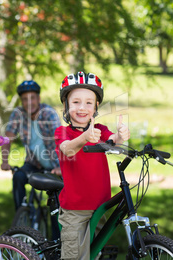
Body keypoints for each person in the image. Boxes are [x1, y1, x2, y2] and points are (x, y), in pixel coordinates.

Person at [55, 71, 130, 260]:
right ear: (66, 105)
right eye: (75, 102)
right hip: (75, 210)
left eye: (89, 102)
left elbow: (112, 140)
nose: (82, 107)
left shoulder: (99, 130)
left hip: (99, 206)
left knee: (95, 254)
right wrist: (84, 138)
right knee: (74, 256)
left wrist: (121, 136)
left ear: (96, 106)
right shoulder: (62, 132)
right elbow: (67, 149)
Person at [0, 80, 61, 239]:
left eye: (32, 98)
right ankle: (22, 217)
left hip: (55, 166)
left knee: (56, 209)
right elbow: (8, 138)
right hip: (34, 163)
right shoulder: (18, 113)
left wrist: (61, 167)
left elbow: (60, 140)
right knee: (19, 176)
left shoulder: (49, 114)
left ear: (38, 99)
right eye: (25, 99)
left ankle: (56, 247)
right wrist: (5, 161)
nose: (29, 102)